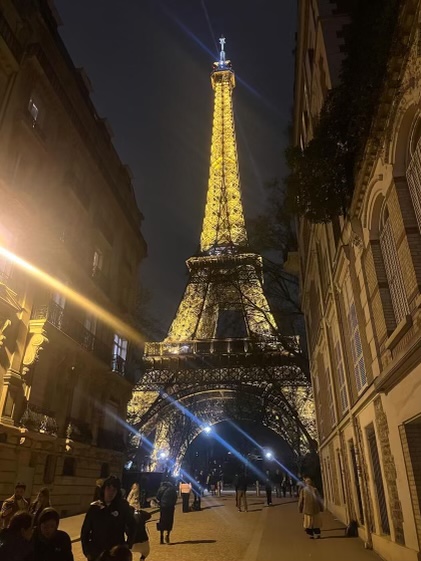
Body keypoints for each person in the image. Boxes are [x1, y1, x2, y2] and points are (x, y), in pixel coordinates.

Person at [81, 475, 136, 561]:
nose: (111, 492)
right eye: (108, 489)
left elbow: (132, 525)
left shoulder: (122, 507)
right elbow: (85, 531)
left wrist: (128, 544)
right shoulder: (95, 508)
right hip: (97, 553)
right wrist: (87, 552)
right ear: (103, 490)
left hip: (116, 554)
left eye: (114, 490)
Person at [127, 483, 151, 561]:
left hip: (131, 542)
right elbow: (148, 515)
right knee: (146, 551)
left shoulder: (128, 518)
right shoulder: (141, 515)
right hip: (143, 541)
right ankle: (142, 559)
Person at [156, 478, 177, 545]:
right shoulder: (173, 489)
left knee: (162, 520)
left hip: (163, 506)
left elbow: (158, 497)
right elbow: (175, 498)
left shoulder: (161, 488)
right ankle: (168, 534)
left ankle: (161, 537)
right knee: (169, 520)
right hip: (170, 507)